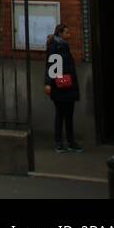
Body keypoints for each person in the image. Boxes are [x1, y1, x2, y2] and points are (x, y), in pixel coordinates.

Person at [44, 23, 83, 153]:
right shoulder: (57, 47)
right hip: (61, 86)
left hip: (67, 85)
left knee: (68, 115)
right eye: (66, 32)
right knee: (61, 115)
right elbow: (51, 66)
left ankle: (70, 142)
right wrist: (49, 83)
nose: (69, 35)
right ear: (60, 33)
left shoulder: (64, 46)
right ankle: (59, 142)